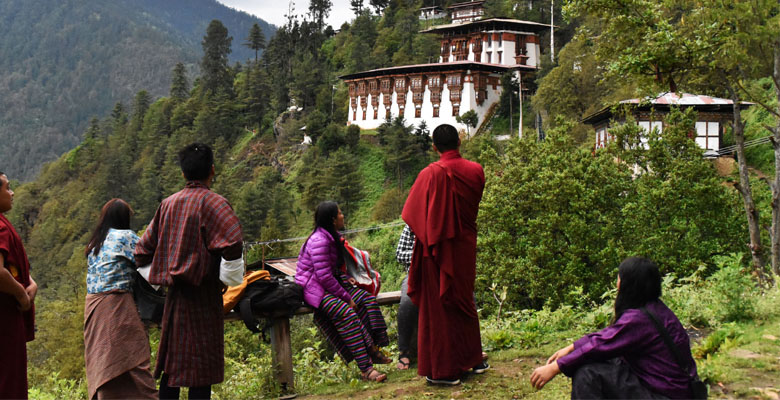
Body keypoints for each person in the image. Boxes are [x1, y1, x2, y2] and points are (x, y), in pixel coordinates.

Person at [135, 143, 243, 400]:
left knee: (172, 367)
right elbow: (233, 244)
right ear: (212, 170)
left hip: (175, 300)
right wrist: (227, 279)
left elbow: (141, 250)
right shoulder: (216, 204)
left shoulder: (168, 205)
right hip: (204, 297)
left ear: (183, 173)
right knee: (201, 371)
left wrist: (161, 275)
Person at [530, 257, 700, 399]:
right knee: (604, 359)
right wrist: (571, 347)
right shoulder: (654, 308)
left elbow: (600, 345)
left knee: (588, 374)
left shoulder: (639, 319)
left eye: (619, 277)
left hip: (665, 395)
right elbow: (608, 337)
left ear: (627, 284)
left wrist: (555, 367)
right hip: (674, 390)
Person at [401, 124, 488, 386]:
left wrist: (432, 232)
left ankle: (446, 371)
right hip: (465, 246)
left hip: (438, 249)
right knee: (463, 302)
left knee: (440, 308)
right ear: (460, 141)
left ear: (434, 146)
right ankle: (474, 359)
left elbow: (412, 214)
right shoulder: (476, 170)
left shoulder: (431, 173)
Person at [295, 201, 391, 382]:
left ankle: (374, 348)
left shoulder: (331, 236)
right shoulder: (320, 241)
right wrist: (346, 297)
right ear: (332, 219)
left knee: (367, 300)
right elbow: (323, 277)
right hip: (314, 290)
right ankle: (366, 369)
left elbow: (330, 270)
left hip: (328, 284)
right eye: (339, 213)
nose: (342, 216)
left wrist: (346, 280)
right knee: (347, 313)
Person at [84, 198, 157, 399]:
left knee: (104, 358)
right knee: (133, 358)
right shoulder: (126, 237)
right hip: (116, 304)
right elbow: (148, 262)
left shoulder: (95, 242)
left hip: (93, 306)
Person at [0, 172, 37, 399]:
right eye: (7, 188)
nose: (12, 193)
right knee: (8, 382)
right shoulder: (1, 227)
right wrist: (21, 296)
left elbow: (13, 267)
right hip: (5, 317)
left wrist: (30, 283)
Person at [394, 224, 418, 370]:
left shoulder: (440, 220)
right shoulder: (410, 226)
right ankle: (404, 352)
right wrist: (421, 254)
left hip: (438, 273)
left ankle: (470, 348)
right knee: (407, 304)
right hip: (414, 274)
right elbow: (400, 254)